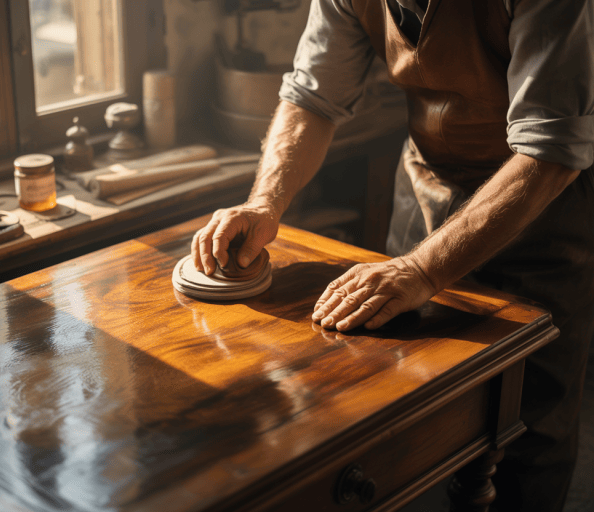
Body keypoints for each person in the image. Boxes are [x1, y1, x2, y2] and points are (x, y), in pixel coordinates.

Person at [192, 1, 594, 510]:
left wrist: (422, 268)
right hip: (428, 186)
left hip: (539, 208)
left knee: (528, 424)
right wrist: (264, 201)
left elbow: (551, 148)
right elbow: (313, 96)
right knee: (404, 400)